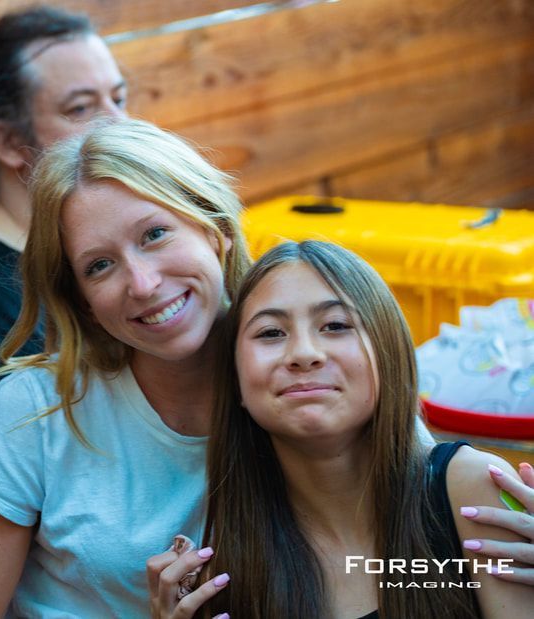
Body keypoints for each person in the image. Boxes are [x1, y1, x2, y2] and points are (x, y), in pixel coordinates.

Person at [0, 118, 249, 617]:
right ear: (81, 302)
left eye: (155, 234)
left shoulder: (308, 371)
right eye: (99, 265)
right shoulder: (35, 408)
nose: (141, 284)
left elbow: (398, 563)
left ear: (214, 227)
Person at [152, 241, 534, 618]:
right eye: (270, 333)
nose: (304, 354)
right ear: (235, 382)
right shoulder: (222, 570)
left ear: (389, 354)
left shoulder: (471, 491)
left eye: (335, 325)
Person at [0, 5, 128, 377]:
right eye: (81, 107)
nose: (120, 126)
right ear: (10, 141)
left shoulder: (124, 243)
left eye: (118, 99)